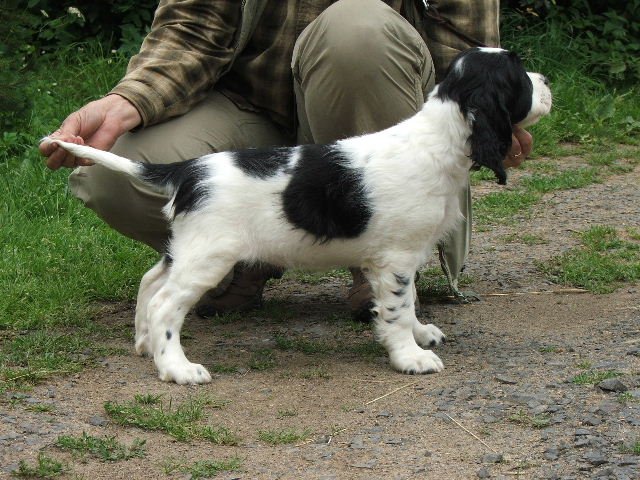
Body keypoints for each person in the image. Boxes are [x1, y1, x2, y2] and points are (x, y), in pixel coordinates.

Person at [39, 0, 532, 320]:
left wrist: (485, 123)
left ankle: (381, 265)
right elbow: (191, 28)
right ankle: (238, 257)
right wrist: (127, 102)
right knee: (115, 174)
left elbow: (466, 51)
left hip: (378, 123)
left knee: (357, 29)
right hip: (248, 109)